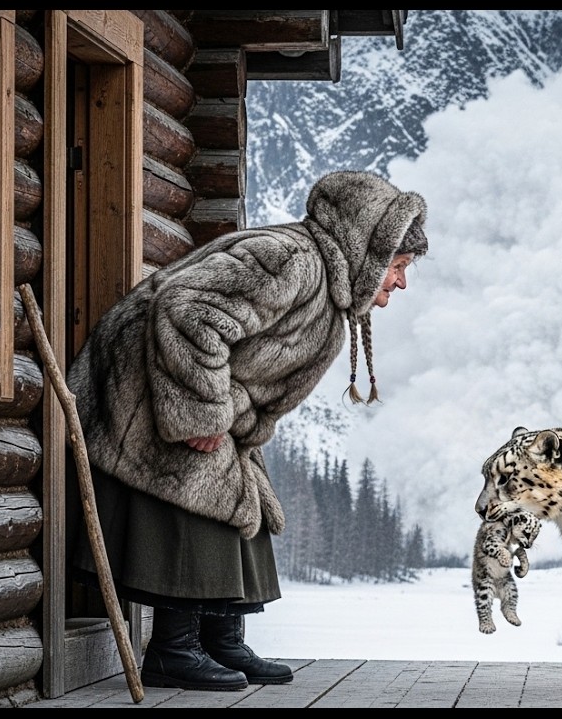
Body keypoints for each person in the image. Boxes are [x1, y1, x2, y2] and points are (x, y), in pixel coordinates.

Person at [62, 170, 429, 691]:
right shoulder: (293, 261)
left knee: (248, 494)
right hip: (146, 386)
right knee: (205, 491)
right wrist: (204, 413)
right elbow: (187, 309)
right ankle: (173, 650)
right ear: (368, 253)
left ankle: (220, 641)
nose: (401, 281)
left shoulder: (329, 285)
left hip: (196, 389)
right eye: (398, 266)